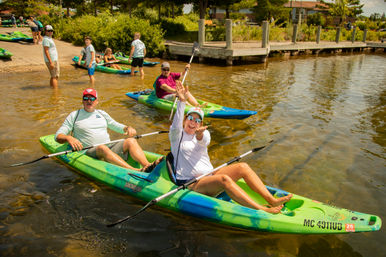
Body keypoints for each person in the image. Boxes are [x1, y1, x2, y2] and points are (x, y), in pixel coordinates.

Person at [169, 82, 292, 214]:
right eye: (190, 118)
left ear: (201, 124)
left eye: (197, 120)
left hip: (210, 175)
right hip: (191, 183)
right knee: (224, 180)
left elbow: (202, 141)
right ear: (185, 119)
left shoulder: (204, 134)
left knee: (242, 167)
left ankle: (271, 199)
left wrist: (199, 135)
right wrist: (182, 101)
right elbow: (176, 123)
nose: (193, 122)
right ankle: (261, 209)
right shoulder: (177, 135)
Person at [55, 88, 162, 172]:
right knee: (102, 147)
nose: (89, 101)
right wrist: (68, 137)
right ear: (82, 101)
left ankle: (147, 165)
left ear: (96, 101)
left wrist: (127, 128)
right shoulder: (74, 115)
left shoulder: (102, 113)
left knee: (131, 141)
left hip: (108, 146)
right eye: (86, 98)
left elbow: (115, 125)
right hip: (89, 151)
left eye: (92, 98)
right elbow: (58, 136)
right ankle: (136, 170)